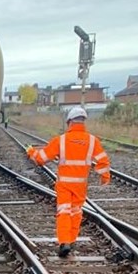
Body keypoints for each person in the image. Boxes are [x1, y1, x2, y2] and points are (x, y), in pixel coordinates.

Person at [25, 106, 111, 256]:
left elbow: (41, 159)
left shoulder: (61, 140)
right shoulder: (92, 141)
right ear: (83, 121)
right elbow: (103, 161)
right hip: (80, 185)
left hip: (64, 184)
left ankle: (64, 242)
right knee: (76, 212)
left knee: (64, 211)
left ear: (69, 122)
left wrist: (31, 151)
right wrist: (104, 177)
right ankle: (71, 240)